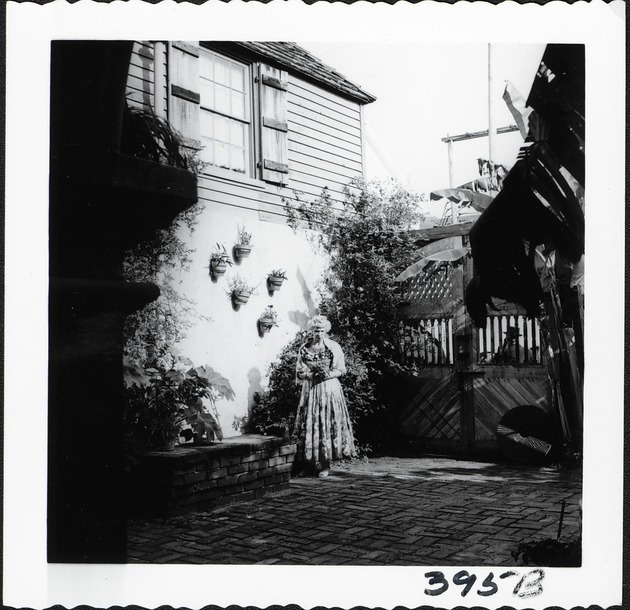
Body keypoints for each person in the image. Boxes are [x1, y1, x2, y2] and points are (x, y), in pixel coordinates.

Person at [293, 315, 356, 477]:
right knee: (310, 423)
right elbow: (299, 371)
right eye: (315, 330)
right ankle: (310, 463)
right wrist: (311, 374)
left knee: (326, 423)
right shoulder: (304, 348)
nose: (318, 333)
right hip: (311, 391)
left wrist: (326, 374)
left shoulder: (333, 347)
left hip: (329, 390)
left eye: (321, 330)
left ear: (326, 330)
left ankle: (325, 464)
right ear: (311, 331)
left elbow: (341, 369)